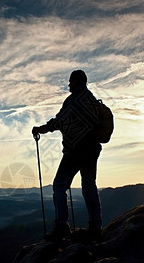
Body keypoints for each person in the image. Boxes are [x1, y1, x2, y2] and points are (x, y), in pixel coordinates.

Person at [32, 70, 103, 242]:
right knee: (89, 186)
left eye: (71, 82)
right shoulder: (93, 101)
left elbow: (58, 122)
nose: (69, 85)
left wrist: (40, 129)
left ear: (76, 82)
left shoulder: (72, 101)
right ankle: (95, 227)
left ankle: (61, 226)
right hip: (92, 150)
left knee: (59, 185)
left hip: (75, 151)